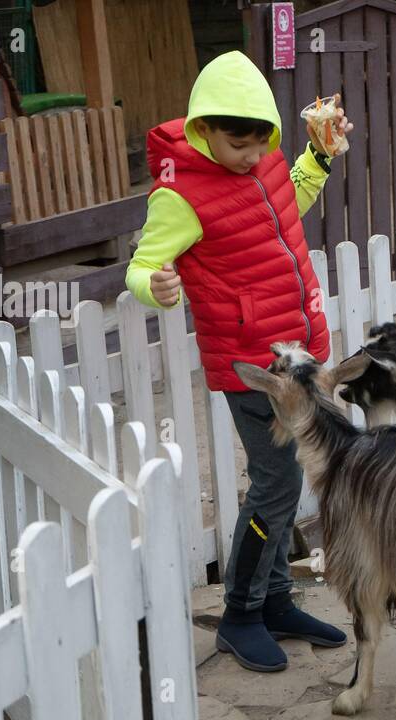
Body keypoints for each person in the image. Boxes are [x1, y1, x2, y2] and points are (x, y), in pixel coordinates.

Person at [126, 51, 354, 672]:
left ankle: (275, 601)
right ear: (203, 129)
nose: (252, 157)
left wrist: (319, 157)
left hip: (299, 354)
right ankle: (241, 613)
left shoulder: (268, 158)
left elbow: (287, 210)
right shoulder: (178, 195)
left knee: (286, 486)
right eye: (238, 145)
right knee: (277, 486)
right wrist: (158, 287)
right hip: (252, 369)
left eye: (261, 143)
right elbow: (142, 265)